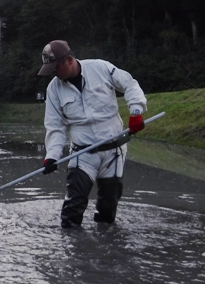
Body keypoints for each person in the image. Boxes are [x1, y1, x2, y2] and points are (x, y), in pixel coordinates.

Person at [38, 40, 147, 228]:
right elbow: (55, 127)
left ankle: (104, 247)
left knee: (108, 207)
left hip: (114, 151)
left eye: (56, 68)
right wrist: (52, 156)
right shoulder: (53, 89)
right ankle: (72, 249)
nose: (54, 73)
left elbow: (130, 85)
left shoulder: (101, 68)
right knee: (72, 208)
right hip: (83, 154)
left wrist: (136, 112)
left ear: (70, 60)